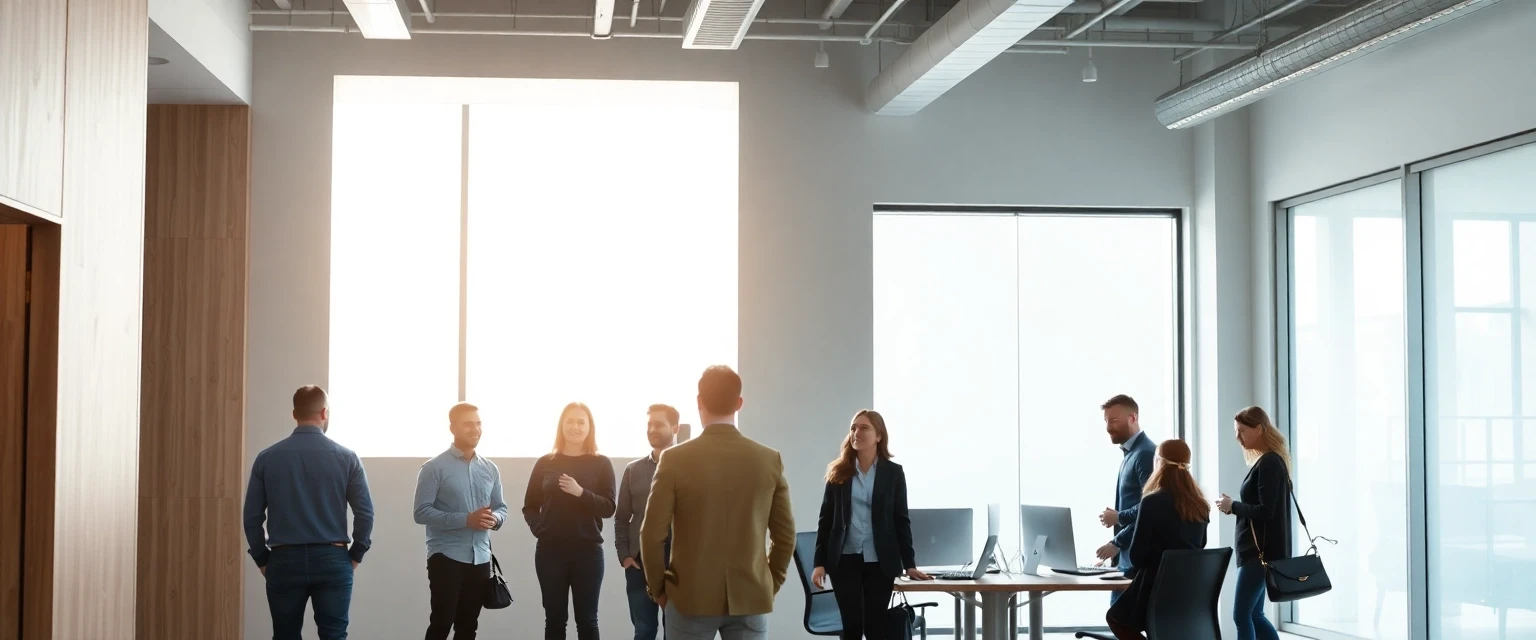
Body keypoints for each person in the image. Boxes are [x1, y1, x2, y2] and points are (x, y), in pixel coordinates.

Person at [640, 365, 795, 640]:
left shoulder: (674, 460)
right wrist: (769, 583)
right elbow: (785, 536)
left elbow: (652, 535)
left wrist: (659, 590)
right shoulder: (769, 459)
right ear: (739, 403)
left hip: (689, 597)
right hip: (750, 597)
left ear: (699, 402)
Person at [243, 385, 375, 640]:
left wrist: (262, 558)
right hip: (333, 558)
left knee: (285, 635)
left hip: (284, 560)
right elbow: (365, 514)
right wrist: (356, 554)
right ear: (324, 412)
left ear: (294, 413)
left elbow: (251, 518)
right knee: (334, 635)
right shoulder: (347, 457)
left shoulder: (267, 458)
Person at [810, 410, 932, 640]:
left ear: (879, 435)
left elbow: (901, 519)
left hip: (880, 561)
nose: (857, 432)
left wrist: (910, 564)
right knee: (852, 626)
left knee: (876, 627)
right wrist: (819, 563)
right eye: (854, 428)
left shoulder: (893, 473)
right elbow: (826, 520)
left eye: (864, 428)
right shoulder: (839, 472)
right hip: (844, 560)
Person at [414, 402, 508, 640]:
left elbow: (501, 508)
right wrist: (466, 519)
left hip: (481, 558)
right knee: (441, 624)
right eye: (468, 424)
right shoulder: (433, 468)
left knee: (468, 627)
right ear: (452, 428)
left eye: (478, 424)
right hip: (446, 556)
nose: (475, 429)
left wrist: (494, 519)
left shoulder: (490, 469)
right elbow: (421, 512)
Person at [524, 402, 617, 640]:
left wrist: (580, 492)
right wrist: (540, 529)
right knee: (554, 619)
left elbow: (608, 507)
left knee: (587, 621)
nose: (575, 427)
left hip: (588, 552)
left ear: (589, 427)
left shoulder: (601, 463)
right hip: (550, 552)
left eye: (581, 422)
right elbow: (530, 506)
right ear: (561, 425)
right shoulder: (545, 462)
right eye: (570, 421)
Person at [1104, 439, 1209, 640]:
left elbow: (1137, 557)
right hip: (1188, 592)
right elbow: (1200, 546)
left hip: (1154, 589)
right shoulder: (1200, 505)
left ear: (1158, 463)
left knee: (1116, 618)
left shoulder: (1151, 501)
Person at [1215, 406, 1292, 640]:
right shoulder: (1270, 461)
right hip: (1259, 552)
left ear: (1258, 429)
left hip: (1259, 553)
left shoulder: (1269, 463)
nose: (1237, 437)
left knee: (1242, 615)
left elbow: (1266, 511)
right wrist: (1234, 507)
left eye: (1241, 431)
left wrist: (1233, 506)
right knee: (1255, 614)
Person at [615, 404, 681, 640]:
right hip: (638, 565)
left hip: (677, 564)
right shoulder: (633, 470)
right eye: (649, 424)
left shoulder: (688, 467)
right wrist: (624, 555)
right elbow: (622, 516)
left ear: (675, 428)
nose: (652, 429)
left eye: (659, 424)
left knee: (675, 630)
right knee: (643, 631)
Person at [1096, 395, 1156, 590]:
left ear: (1133, 418)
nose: (1108, 427)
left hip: (1135, 563)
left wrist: (1118, 539)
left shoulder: (1145, 454)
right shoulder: (1132, 454)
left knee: (1120, 619)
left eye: (1113, 420)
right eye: (1106, 421)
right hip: (1126, 560)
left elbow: (1151, 507)